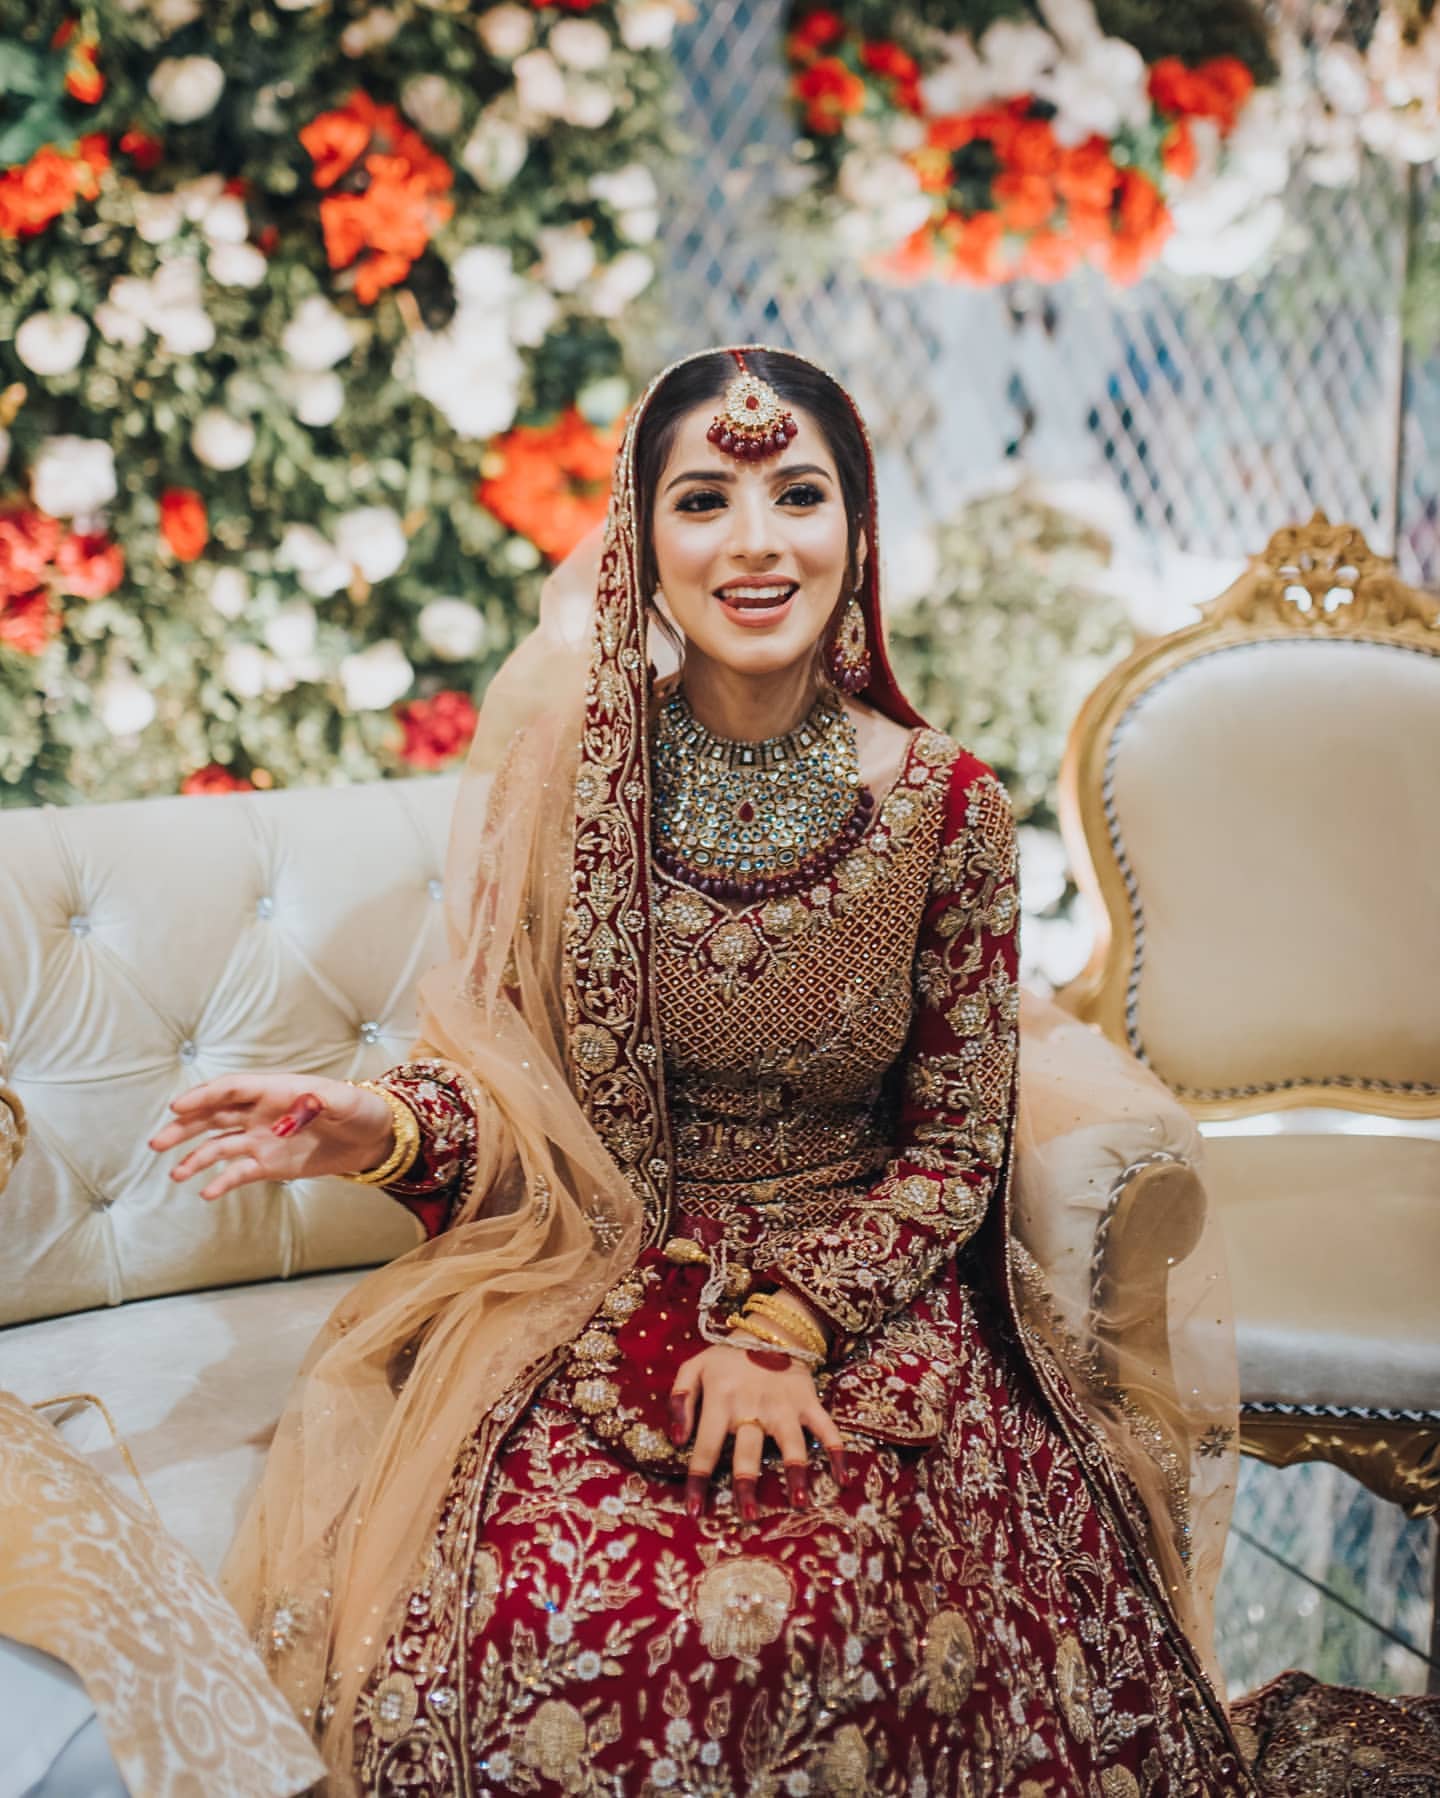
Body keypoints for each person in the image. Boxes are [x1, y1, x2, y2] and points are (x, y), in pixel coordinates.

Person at [144, 348, 1314, 1795]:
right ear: (642, 542)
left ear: (858, 529)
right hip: (602, 1269)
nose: (756, 541)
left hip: (863, 1296)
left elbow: (954, 1155)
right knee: (557, 1611)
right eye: (704, 498)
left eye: (798, 493)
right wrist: (368, 1124)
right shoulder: (572, 788)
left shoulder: (947, 805)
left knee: (833, 1610)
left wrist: (790, 1329)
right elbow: (517, 1091)